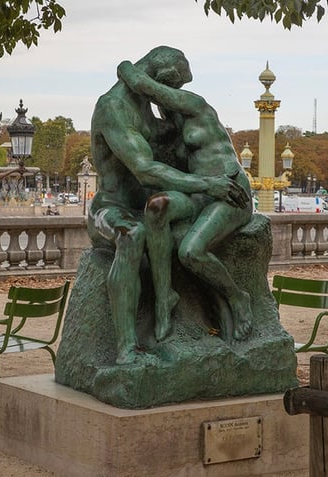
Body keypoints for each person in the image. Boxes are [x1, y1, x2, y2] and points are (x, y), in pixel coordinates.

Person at [88, 46, 249, 365]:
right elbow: (145, 169)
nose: (175, 95)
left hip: (172, 199)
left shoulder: (156, 107)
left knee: (159, 212)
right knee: (133, 233)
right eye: (176, 86)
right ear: (165, 79)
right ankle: (127, 348)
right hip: (112, 206)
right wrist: (206, 184)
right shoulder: (113, 107)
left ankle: (169, 301)